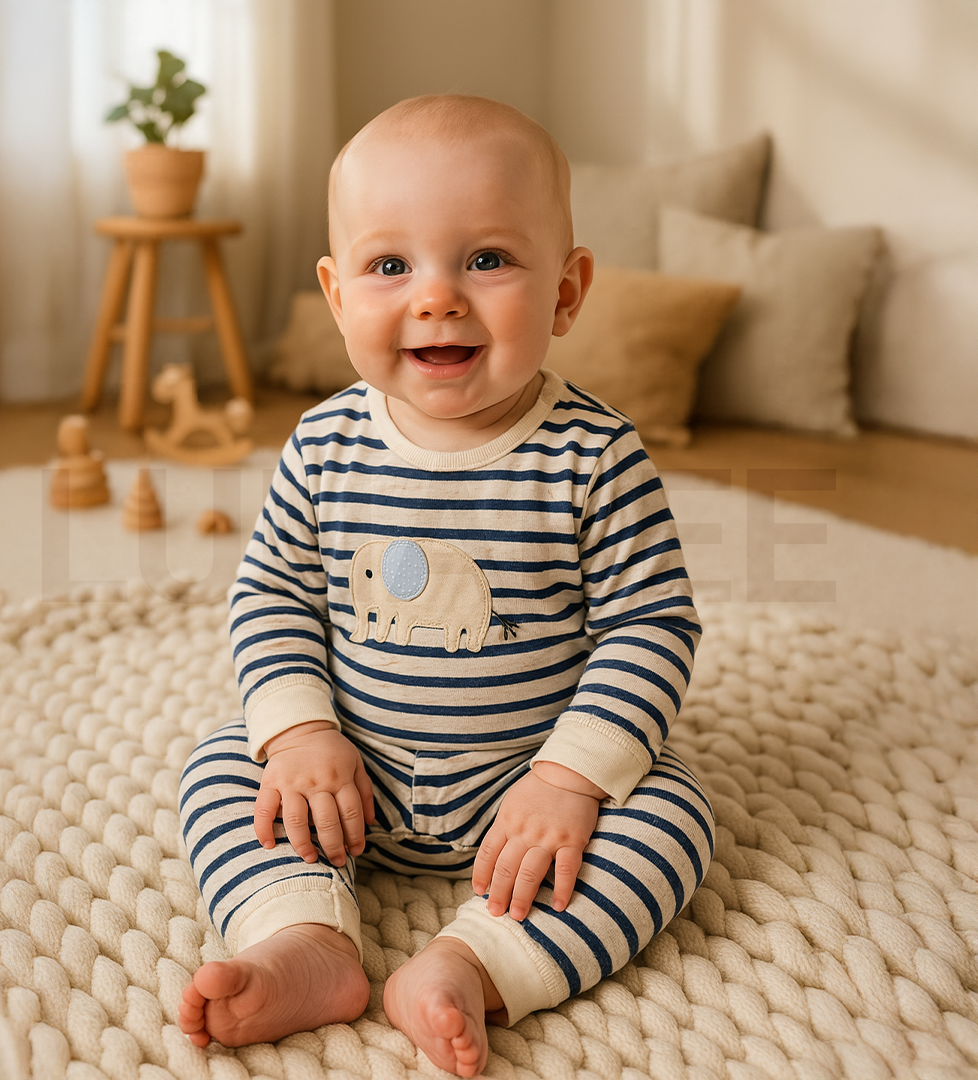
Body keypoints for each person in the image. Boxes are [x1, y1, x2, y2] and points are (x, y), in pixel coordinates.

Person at [177, 94, 715, 1078]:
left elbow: (652, 624)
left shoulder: (594, 455)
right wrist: (300, 734)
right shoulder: (326, 445)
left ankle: (475, 961)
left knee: (674, 813)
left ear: (566, 290)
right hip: (352, 783)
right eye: (392, 266)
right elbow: (272, 597)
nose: (437, 298)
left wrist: (567, 780)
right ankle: (307, 936)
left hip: (531, 801)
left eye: (486, 259)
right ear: (338, 296)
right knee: (222, 763)